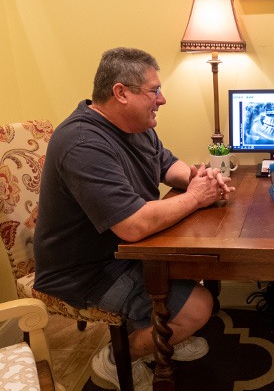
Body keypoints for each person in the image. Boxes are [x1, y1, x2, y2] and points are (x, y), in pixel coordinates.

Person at [34, 47, 235, 390]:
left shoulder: (137, 124)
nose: (163, 99)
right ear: (121, 92)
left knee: (197, 266)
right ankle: (116, 357)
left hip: (124, 251)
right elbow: (132, 226)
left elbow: (167, 165)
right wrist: (195, 198)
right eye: (154, 91)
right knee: (199, 307)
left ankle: (156, 331)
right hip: (87, 270)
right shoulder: (82, 143)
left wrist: (200, 179)